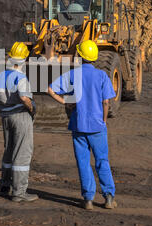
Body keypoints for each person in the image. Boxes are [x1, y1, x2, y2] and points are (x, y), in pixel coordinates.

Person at [47, 40, 117, 210]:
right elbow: (106, 101)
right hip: (97, 126)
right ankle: (108, 198)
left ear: (80, 56)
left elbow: (50, 89)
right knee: (102, 161)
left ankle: (88, 199)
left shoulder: (73, 74)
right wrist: (104, 120)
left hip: (78, 126)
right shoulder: (102, 76)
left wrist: (64, 100)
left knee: (83, 163)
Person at [0, 42, 38, 202]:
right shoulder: (21, 77)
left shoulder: (1, 75)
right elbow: (24, 97)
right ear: (24, 59)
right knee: (22, 153)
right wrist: (32, 109)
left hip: (5, 117)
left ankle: (5, 184)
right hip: (20, 116)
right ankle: (19, 192)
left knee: (9, 150)